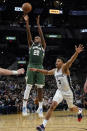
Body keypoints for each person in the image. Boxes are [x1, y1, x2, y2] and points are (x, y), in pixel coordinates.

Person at [29, 44, 84, 131]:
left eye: (58, 61)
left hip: (68, 91)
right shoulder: (55, 70)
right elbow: (47, 72)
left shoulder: (65, 68)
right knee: (52, 106)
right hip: (60, 91)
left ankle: (79, 110)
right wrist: (37, 70)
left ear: (62, 62)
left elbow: (70, 61)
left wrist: (76, 53)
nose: (56, 62)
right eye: (56, 61)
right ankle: (43, 126)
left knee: (71, 108)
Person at [22, 15, 46, 117]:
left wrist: (38, 24)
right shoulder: (31, 44)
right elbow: (28, 33)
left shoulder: (43, 46)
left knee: (40, 88)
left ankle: (40, 108)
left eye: (38, 37)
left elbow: (41, 34)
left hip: (40, 66)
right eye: (35, 37)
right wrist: (27, 22)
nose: (36, 38)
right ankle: (24, 107)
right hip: (31, 65)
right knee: (28, 86)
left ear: (40, 40)